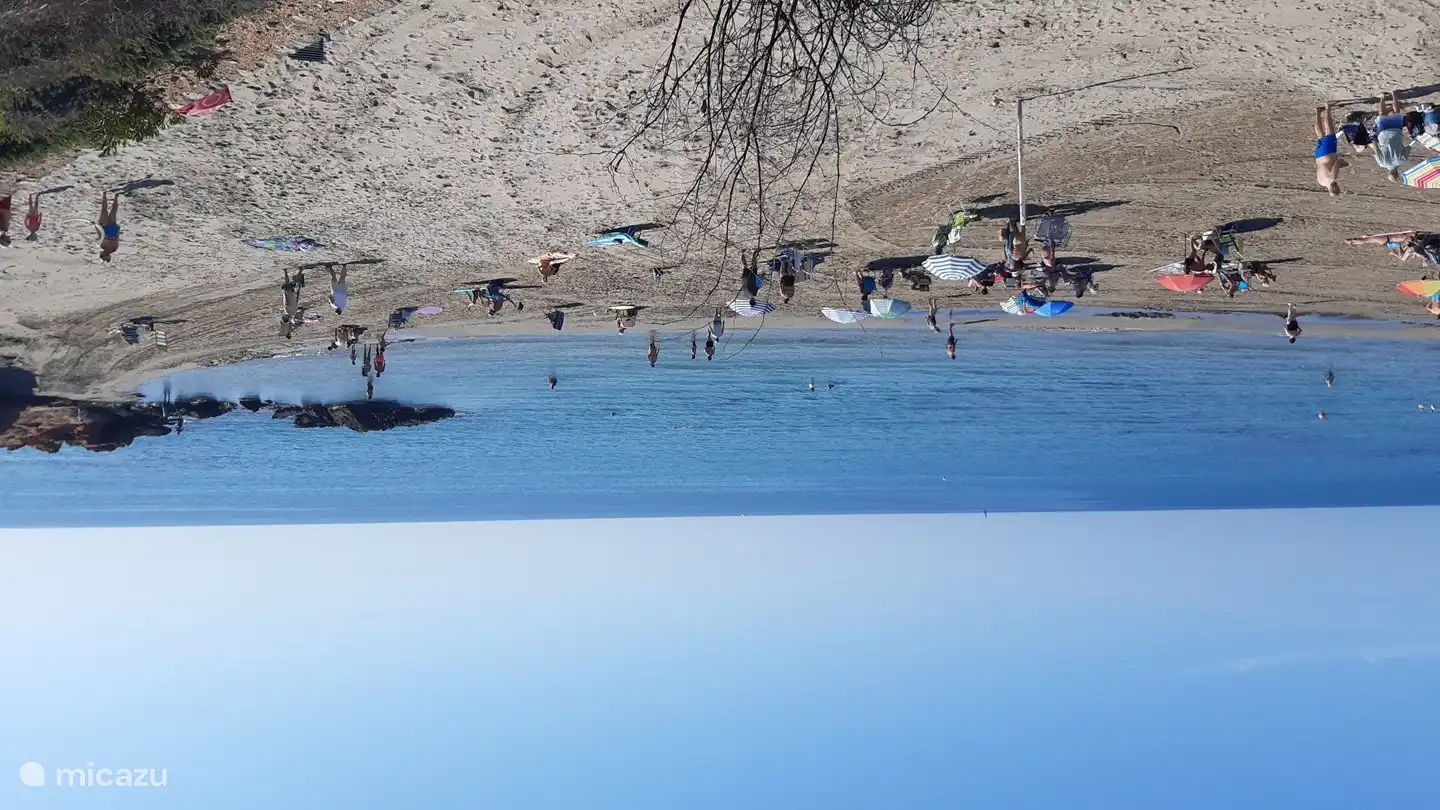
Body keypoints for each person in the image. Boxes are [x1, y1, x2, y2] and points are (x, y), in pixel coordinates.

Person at [1373, 90, 1408, 182]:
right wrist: (1373, 140)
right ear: (1388, 173)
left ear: (1397, 173)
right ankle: (1382, 98)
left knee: (1397, 112)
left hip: (1396, 132)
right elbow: (1376, 149)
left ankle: (1394, 94)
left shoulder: (1402, 160)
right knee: (1382, 114)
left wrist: (1400, 146)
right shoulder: (1382, 163)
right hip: (1383, 134)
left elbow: (1406, 148)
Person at [1314, 104, 1347, 195]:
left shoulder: (1332, 178)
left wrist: (1343, 163)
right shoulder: (1321, 182)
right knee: (1320, 136)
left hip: (1328, 153)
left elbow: (1337, 163)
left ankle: (1328, 108)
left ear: (1336, 188)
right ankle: (1318, 112)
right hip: (1319, 156)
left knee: (1329, 130)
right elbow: (1325, 167)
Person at [95, 192, 121, 261]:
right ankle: (105, 194)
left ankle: (116, 196)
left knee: (113, 211)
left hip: (112, 229)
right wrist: (96, 226)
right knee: (105, 209)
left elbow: (117, 238)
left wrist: (117, 229)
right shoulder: (103, 246)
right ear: (103, 254)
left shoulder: (114, 249)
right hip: (105, 227)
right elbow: (101, 235)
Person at [280, 269, 304, 339]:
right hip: (290, 294)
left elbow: (294, 302)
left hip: (292, 294)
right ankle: (286, 272)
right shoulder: (289, 312)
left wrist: (298, 294)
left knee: (294, 283)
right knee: (288, 282)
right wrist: (284, 294)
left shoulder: (292, 312)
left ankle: (299, 271)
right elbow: (286, 302)